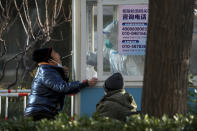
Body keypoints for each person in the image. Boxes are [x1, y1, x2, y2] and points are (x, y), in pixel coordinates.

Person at [24, 47, 98, 121]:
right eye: (55, 53)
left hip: (42, 111)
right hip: (40, 113)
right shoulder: (47, 72)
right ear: (50, 60)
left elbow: (60, 86)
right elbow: (62, 87)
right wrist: (85, 84)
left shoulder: (47, 70)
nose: (58, 55)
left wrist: (63, 75)